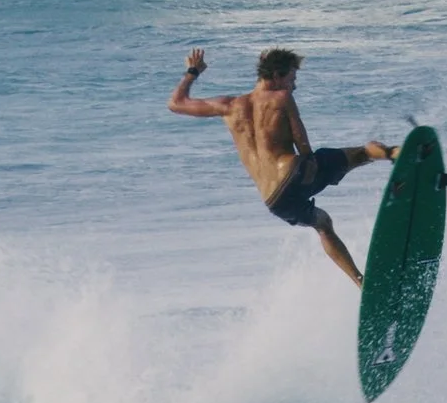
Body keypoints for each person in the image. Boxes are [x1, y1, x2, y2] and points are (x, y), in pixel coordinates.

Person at [167, 48, 394, 287]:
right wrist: (310, 164)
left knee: (323, 224)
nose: (294, 86)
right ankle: (398, 154)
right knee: (363, 153)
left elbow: (175, 103)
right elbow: (301, 141)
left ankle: (361, 283)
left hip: (275, 201)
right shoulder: (281, 98)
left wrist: (193, 71)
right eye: (291, 79)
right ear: (276, 76)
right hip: (295, 172)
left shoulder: (228, 106)